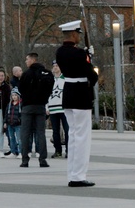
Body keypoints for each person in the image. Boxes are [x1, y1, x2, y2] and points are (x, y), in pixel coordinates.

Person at [55, 20, 99, 188]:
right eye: (78, 34)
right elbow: (91, 75)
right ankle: (78, 176)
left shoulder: (59, 52)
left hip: (68, 94)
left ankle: (72, 173)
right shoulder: (80, 53)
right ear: (73, 35)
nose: (80, 36)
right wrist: (89, 59)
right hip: (81, 94)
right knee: (82, 138)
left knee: (73, 136)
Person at [19, 52, 54, 168]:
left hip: (28, 106)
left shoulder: (26, 74)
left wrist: (27, 97)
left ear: (32, 60)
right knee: (41, 133)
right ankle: (42, 159)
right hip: (40, 106)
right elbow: (50, 88)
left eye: (27, 59)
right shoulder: (47, 73)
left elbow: (21, 89)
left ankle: (25, 159)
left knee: (25, 133)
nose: (26, 61)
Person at [48, 62, 69, 159]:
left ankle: (69, 150)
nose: (55, 68)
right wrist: (46, 107)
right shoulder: (50, 80)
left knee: (67, 130)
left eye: (57, 66)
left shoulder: (65, 79)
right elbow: (46, 94)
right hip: (52, 108)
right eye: (54, 66)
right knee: (55, 131)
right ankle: (58, 150)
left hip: (64, 108)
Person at [5, 89, 22, 157]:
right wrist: (5, 122)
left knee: (19, 139)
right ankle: (13, 152)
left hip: (18, 124)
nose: (14, 97)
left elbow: (22, 115)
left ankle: (20, 152)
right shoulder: (9, 104)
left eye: (15, 95)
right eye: (12, 95)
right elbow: (6, 114)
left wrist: (19, 120)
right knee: (12, 138)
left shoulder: (20, 104)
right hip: (10, 124)